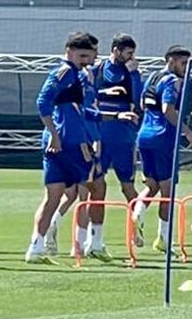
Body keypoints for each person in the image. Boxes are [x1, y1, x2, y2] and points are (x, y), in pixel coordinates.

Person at [27, 32, 100, 263]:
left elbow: (82, 111)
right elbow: (42, 101)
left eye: (89, 56)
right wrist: (54, 134)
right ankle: (80, 245)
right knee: (87, 190)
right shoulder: (65, 71)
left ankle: (36, 248)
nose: (86, 60)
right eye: (82, 55)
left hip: (67, 140)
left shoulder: (77, 75)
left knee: (54, 197)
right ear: (69, 50)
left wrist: (114, 115)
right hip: (69, 143)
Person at [136, 45, 192, 253]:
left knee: (151, 185)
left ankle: (138, 214)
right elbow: (168, 110)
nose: (187, 68)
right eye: (184, 63)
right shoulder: (171, 81)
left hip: (144, 135)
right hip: (163, 138)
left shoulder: (152, 77)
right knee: (168, 191)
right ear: (171, 60)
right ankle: (163, 238)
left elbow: (142, 105)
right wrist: (187, 132)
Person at [91, 34, 145, 245]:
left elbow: (139, 101)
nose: (132, 56)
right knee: (95, 186)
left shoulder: (131, 72)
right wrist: (106, 92)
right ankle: (91, 238)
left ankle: (136, 227)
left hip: (124, 137)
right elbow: (89, 95)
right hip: (101, 135)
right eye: (128, 52)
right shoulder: (98, 70)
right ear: (116, 50)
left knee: (127, 186)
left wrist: (134, 75)